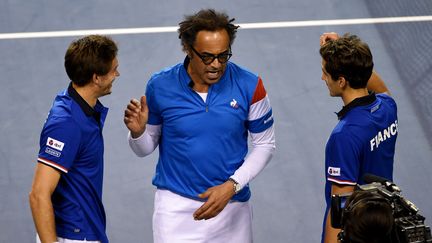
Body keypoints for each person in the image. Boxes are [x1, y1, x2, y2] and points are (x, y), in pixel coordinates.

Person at [124, 9, 275, 243]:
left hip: (232, 206)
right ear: (187, 49)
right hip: (175, 210)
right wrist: (137, 132)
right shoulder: (160, 86)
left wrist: (231, 186)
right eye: (207, 56)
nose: (216, 65)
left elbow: (265, 144)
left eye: (223, 56)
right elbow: (144, 148)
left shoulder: (251, 85)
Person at [29, 35, 120, 243]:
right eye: (113, 69)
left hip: (83, 227)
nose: (117, 74)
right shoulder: (67, 124)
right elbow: (38, 195)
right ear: (96, 77)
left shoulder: (77, 102)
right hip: (74, 235)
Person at [319, 32, 398, 243]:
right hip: (384, 225)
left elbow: (340, 209)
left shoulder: (344, 136)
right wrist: (346, 53)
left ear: (342, 81)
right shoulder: (387, 107)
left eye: (326, 73)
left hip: (357, 233)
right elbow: (378, 86)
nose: (323, 78)